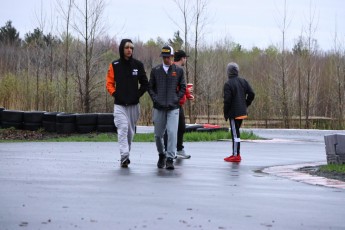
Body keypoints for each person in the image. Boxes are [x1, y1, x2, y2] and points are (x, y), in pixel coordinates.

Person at [106, 38, 149, 168]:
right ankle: (124, 154)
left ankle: (125, 157)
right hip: (119, 105)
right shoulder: (115, 65)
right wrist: (115, 94)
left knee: (130, 132)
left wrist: (137, 95)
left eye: (131, 48)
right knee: (122, 128)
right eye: (127, 47)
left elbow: (145, 83)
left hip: (134, 106)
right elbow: (109, 83)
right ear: (122, 49)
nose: (129, 50)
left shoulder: (138, 65)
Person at [148, 45, 186, 170]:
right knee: (158, 135)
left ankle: (170, 158)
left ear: (172, 56)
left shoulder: (179, 71)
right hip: (159, 107)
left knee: (171, 132)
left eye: (168, 57)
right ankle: (161, 155)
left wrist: (176, 99)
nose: (166, 59)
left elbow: (183, 87)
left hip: (173, 107)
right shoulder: (156, 70)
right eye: (164, 57)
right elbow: (150, 87)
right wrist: (155, 99)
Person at [163, 50, 193, 159]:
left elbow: (181, 86)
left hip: (178, 103)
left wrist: (187, 95)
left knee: (181, 127)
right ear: (182, 58)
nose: (186, 60)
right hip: (173, 104)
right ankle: (167, 150)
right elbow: (175, 86)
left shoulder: (179, 70)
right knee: (170, 128)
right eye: (185, 58)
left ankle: (179, 149)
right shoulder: (175, 69)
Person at [223, 62, 255, 163]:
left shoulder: (228, 84)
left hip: (233, 113)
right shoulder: (243, 81)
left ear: (228, 72)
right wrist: (246, 104)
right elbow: (252, 94)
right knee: (236, 133)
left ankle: (236, 155)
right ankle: (235, 153)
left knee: (235, 134)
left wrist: (226, 113)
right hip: (242, 112)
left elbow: (227, 100)